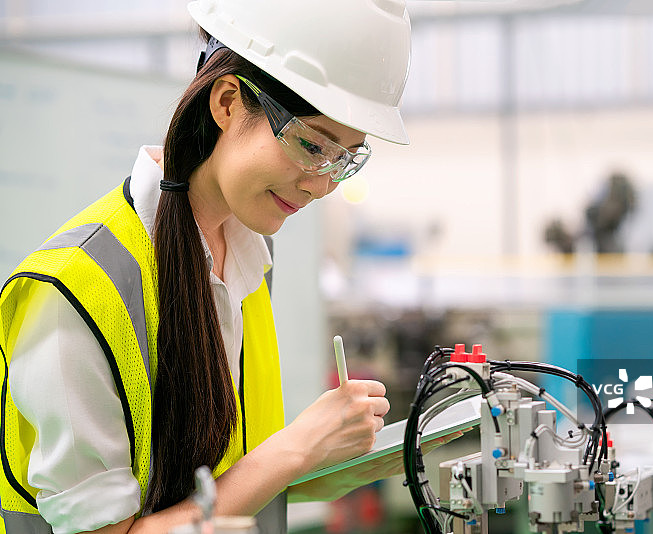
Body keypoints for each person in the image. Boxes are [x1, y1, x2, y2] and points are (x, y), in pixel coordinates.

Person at [0, 1, 413, 532]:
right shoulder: (74, 291)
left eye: (344, 159)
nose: (321, 185)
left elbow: (224, 478)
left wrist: (325, 460)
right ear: (226, 102)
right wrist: (291, 451)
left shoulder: (248, 254)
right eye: (312, 144)